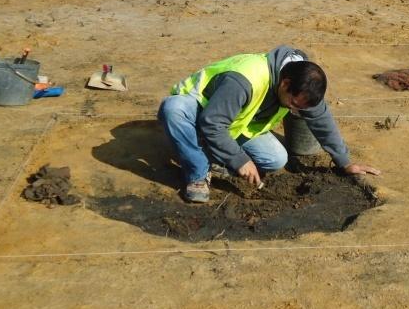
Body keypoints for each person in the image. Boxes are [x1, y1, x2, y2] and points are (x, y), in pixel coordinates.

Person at [158, 45, 381, 203]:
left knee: (276, 159)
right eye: (293, 103)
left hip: (235, 126)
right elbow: (212, 123)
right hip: (200, 110)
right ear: (285, 84)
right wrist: (240, 160)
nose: (295, 110)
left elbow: (322, 121)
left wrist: (345, 162)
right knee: (173, 110)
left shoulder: (303, 87)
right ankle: (197, 172)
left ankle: (211, 154)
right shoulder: (246, 78)